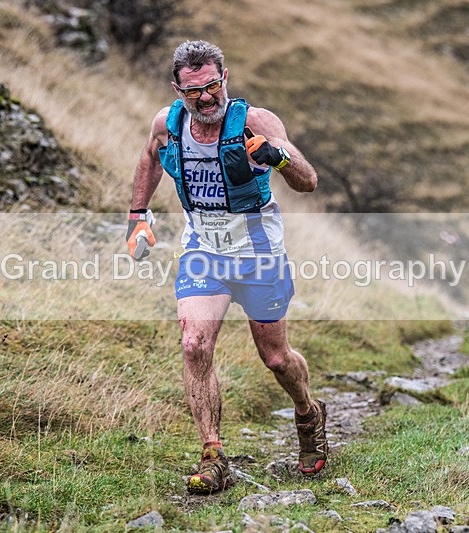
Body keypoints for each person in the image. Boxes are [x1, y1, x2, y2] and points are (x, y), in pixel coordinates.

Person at [125, 41, 327, 494]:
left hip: (258, 253)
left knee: (276, 358)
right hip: (204, 252)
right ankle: (213, 455)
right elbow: (148, 158)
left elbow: (308, 182)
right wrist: (138, 217)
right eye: (193, 90)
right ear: (178, 89)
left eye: (212, 86)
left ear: (225, 79)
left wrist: (276, 158)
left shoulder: (257, 122)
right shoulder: (168, 124)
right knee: (194, 345)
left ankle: (308, 414)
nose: (205, 98)